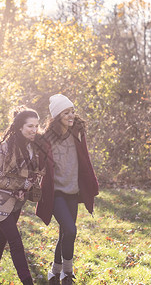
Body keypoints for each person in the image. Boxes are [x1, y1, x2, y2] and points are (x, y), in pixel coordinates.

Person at [36, 94, 99, 285]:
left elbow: (85, 160)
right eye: (66, 113)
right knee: (71, 230)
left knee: (65, 233)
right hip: (55, 193)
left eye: (72, 111)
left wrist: (89, 184)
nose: (71, 115)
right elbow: (39, 164)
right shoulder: (47, 139)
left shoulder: (78, 133)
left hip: (73, 191)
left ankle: (55, 271)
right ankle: (67, 274)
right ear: (57, 116)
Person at [0, 106, 45, 285]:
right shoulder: (5, 148)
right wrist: (24, 183)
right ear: (19, 128)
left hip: (17, 202)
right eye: (30, 126)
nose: (34, 130)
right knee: (16, 242)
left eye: (36, 126)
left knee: (0, 240)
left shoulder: (33, 145)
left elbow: (36, 169)